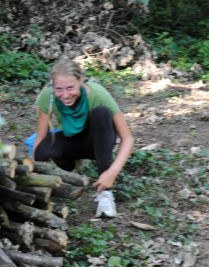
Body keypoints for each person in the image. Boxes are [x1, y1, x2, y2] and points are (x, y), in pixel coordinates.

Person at [31, 58, 134, 218]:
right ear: (52, 85)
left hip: (97, 142)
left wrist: (112, 172)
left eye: (70, 87)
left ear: (80, 80)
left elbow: (128, 139)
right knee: (42, 149)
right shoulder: (48, 97)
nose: (65, 95)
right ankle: (68, 173)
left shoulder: (97, 94)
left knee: (101, 113)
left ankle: (105, 194)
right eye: (59, 89)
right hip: (70, 140)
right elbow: (40, 139)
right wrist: (35, 175)